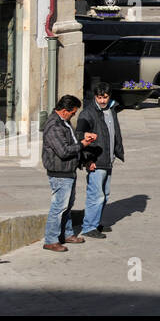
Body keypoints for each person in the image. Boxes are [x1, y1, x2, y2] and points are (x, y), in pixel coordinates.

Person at [42, 96, 96, 252]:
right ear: (65, 111)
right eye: (73, 113)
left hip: (68, 170)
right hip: (59, 172)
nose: (74, 116)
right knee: (59, 207)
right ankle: (51, 239)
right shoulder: (54, 125)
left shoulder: (63, 122)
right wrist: (83, 144)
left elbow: (70, 141)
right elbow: (64, 151)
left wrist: (82, 139)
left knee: (67, 205)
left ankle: (67, 233)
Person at [76, 84, 124, 239]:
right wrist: (87, 159)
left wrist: (117, 151)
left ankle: (95, 222)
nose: (102, 100)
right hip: (96, 160)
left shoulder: (111, 109)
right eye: (99, 97)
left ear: (109, 96)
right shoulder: (87, 113)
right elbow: (80, 135)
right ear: (95, 97)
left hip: (108, 159)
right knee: (96, 195)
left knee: (105, 194)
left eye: (105, 97)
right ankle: (89, 226)